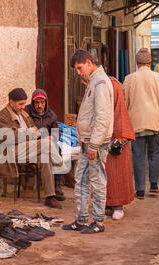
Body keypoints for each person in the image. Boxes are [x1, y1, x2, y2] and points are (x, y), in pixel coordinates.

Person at [62, 49, 114, 234]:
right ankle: (81, 219)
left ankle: (98, 222)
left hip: (95, 144)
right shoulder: (93, 82)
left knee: (97, 180)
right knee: (81, 180)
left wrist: (94, 144)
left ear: (89, 62)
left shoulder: (100, 83)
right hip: (87, 142)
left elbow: (102, 117)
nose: (78, 72)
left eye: (79, 68)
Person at [0, 88, 64, 208]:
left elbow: (35, 130)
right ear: (11, 102)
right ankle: (60, 163)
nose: (23, 107)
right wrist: (29, 133)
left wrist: (32, 134)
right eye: (20, 104)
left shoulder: (24, 115)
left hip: (25, 149)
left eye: (24, 103)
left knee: (45, 156)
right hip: (10, 152)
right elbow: (7, 138)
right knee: (46, 144)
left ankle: (50, 196)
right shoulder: (2, 117)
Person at [124, 48, 159, 199]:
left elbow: (125, 103)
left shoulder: (129, 78)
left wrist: (123, 122)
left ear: (137, 63)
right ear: (150, 63)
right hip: (155, 121)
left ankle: (139, 190)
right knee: (155, 154)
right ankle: (154, 184)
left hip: (136, 123)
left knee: (138, 157)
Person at [24, 89, 65, 201]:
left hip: (47, 142)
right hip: (32, 143)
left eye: (42, 102)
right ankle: (64, 173)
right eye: (37, 103)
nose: (39, 105)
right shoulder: (26, 113)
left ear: (46, 102)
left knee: (56, 147)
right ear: (33, 103)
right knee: (51, 150)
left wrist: (52, 137)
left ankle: (56, 185)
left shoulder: (51, 115)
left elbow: (57, 133)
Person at [104, 77, 136, 220]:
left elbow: (121, 118)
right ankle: (108, 204)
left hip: (116, 136)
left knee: (117, 172)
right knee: (105, 174)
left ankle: (118, 205)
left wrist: (120, 138)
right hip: (103, 134)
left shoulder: (114, 88)